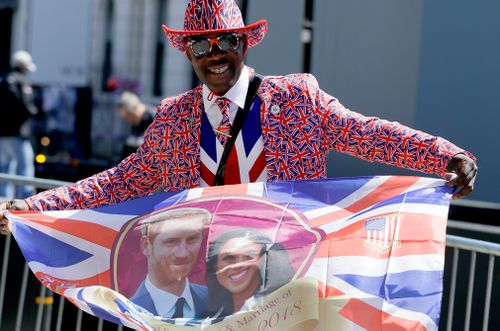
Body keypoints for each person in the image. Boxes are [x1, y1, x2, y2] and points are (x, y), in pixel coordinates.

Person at [0, 0, 477, 233]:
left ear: (244, 44)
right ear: (189, 53)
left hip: (291, 271)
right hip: (210, 279)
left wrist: (443, 156)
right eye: (201, 44)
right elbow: (120, 183)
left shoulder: (297, 99)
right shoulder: (174, 118)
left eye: (225, 41)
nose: (215, 54)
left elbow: (368, 135)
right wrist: (33, 207)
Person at [130, 207, 211, 318]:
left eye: (192, 239)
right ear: (146, 246)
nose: (183, 253)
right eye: (171, 242)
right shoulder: (127, 313)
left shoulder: (217, 301)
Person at [206, 228, 295, 317]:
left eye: (249, 256)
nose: (238, 264)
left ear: (265, 262)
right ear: (215, 265)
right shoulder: (207, 314)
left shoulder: (284, 310)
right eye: (229, 258)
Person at [0, 50, 38, 199]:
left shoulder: (3, 80)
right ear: (23, 66)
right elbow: (27, 107)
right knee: (25, 168)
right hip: (18, 133)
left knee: (5, 168)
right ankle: (26, 202)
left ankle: (3, 202)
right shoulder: (22, 81)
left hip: (3, 134)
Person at [115, 91, 155, 159]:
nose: (127, 120)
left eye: (127, 116)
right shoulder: (137, 121)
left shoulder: (155, 119)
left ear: (135, 108)